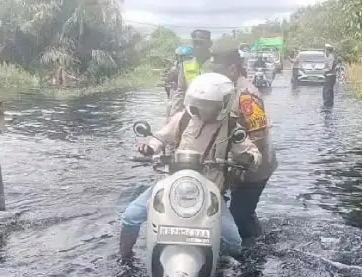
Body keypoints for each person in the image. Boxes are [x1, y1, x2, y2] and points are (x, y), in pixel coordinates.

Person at [119, 72, 263, 261]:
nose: (199, 108)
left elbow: (254, 153)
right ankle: (125, 259)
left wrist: (249, 158)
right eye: (198, 102)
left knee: (233, 240)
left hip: (210, 191)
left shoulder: (232, 127)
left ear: (223, 104)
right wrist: (150, 147)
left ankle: (227, 272)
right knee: (130, 217)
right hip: (173, 185)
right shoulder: (184, 118)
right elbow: (161, 137)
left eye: (207, 104)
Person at [209, 49, 278, 243]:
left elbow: (259, 135)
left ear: (232, 68)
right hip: (234, 165)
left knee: (239, 215)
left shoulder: (247, 94)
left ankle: (255, 249)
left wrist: (240, 161)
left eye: (219, 70)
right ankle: (257, 237)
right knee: (241, 211)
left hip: (254, 166)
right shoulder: (225, 90)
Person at [166, 29, 213, 119]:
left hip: (213, 117)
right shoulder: (187, 65)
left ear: (210, 44)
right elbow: (180, 92)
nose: (198, 46)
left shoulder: (217, 65)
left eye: (201, 43)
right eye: (196, 43)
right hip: (190, 115)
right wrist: (173, 118)